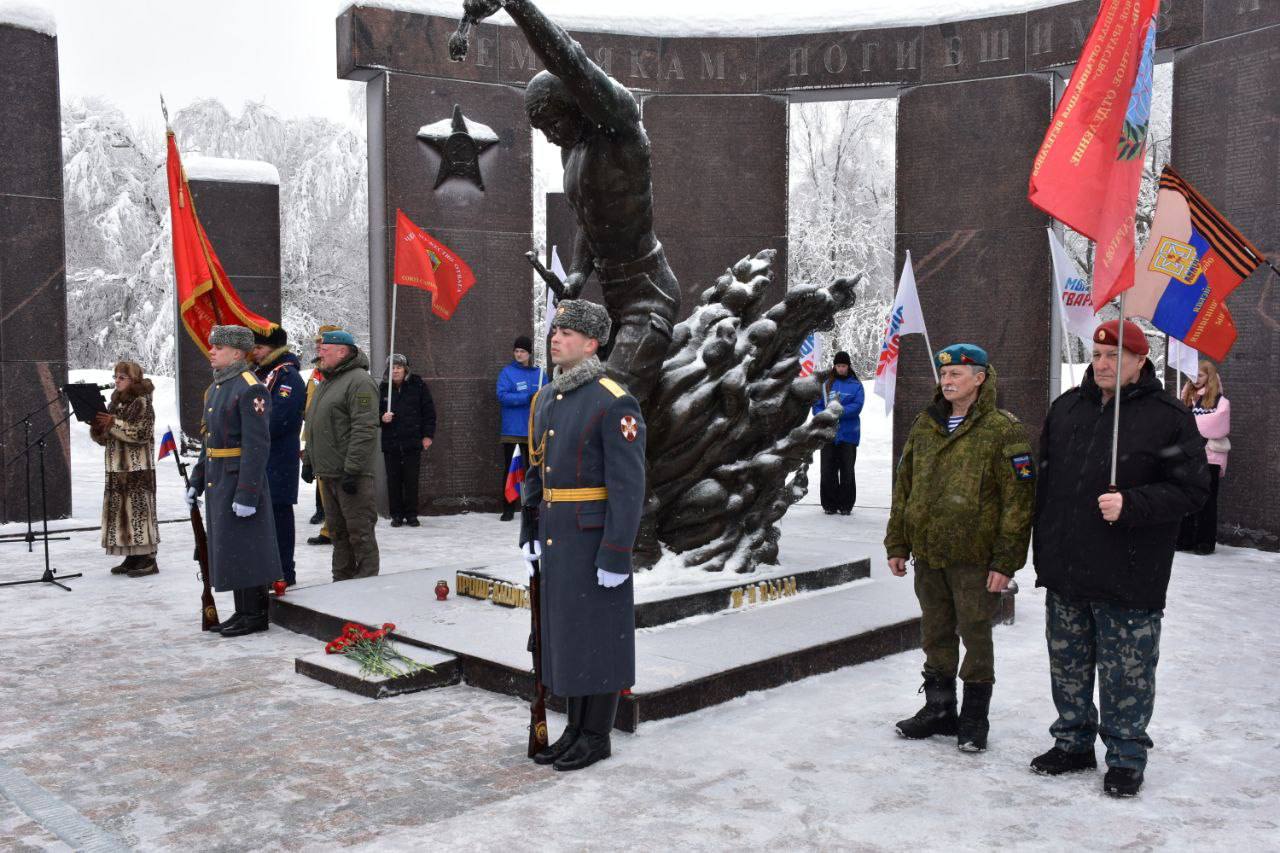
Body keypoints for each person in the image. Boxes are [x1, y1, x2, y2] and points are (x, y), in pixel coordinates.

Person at [461, 0, 680, 407]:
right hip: (615, 300)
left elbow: (571, 61)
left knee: (604, 406)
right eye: (540, 128)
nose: (548, 135)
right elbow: (589, 220)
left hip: (648, 293)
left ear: (578, 102)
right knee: (579, 398)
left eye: (552, 122)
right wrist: (578, 274)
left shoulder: (618, 125)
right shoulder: (574, 150)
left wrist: (516, 5)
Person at [1031, 319, 1208, 797]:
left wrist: (1133, 505)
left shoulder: (1167, 416)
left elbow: (1193, 490)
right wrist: (1042, 552)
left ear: (1139, 361)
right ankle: (1071, 741)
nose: (1103, 364)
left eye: (1115, 357)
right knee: (1067, 666)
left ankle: (1126, 754)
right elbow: (1045, 487)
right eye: (1098, 355)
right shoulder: (1067, 408)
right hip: (1067, 569)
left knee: (1126, 672)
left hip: (1130, 571)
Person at [885, 343, 1035, 753]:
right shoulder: (925, 424)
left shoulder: (1003, 429)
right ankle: (939, 709)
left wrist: (1006, 560)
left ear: (980, 378)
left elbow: (1018, 503)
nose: (947, 381)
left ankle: (973, 719)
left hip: (974, 558)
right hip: (929, 554)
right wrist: (897, 542)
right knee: (934, 633)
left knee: (976, 636)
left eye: (957, 375)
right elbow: (904, 488)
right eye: (944, 375)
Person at [520, 300, 646, 772]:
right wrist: (529, 528)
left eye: (569, 333)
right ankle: (575, 729)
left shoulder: (614, 400)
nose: (556, 338)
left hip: (594, 542)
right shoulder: (550, 397)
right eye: (555, 330)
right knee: (570, 635)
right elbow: (537, 467)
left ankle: (596, 735)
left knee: (599, 637)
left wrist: (616, 553)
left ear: (592, 344)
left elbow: (628, 487)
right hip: (557, 537)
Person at [186, 325, 283, 637]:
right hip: (219, 478)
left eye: (219, 347)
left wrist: (248, 493)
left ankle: (255, 614)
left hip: (239, 480)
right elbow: (209, 440)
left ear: (238, 353)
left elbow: (257, 446)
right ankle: (242, 611)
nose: (211, 351)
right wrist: (197, 480)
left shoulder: (249, 387)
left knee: (247, 548)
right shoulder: (217, 388)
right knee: (230, 547)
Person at [302, 329, 380, 581]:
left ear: (343, 351)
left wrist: (352, 469)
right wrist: (309, 462)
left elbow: (365, 428)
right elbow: (316, 424)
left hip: (350, 475)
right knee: (338, 533)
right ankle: (342, 583)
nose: (319, 353)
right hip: (328, 474)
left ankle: (366, 584)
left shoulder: (359, 382)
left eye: (325, 349)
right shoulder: (328, 381)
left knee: (360, 532)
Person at [89, 360, 160, 577]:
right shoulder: (114, 404)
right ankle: (132, 555)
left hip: (137, 467)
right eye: (115, 377)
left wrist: (113, 424)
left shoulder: (142, 402)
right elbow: (106, 437)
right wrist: (99, 427)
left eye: (122, 377)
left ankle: (148, 558)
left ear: (133, 380)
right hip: (116, 467)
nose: (117, 381)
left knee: (138, 512)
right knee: (122, 513)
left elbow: (141, 433)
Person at [251, 325, 307, 588]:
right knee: (266, 517)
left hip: (278, 459)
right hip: (263, 459)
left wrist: (249, 431)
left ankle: (285, 570)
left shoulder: (288, 377)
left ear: (274, 350)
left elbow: (278, 419)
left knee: (279, 516)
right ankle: (269, 567)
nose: (255, 353)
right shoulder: (260, 375)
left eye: (259, 348)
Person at [378, 353, 436, 527]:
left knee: (411, 480)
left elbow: (429, 412)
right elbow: (371, 414)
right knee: (393, 480)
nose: (395, 371)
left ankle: (412, 514)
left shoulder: (418, 386)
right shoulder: (383, 388)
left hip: (412, 441)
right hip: (391, 442)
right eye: (392, 368)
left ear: (405, 369)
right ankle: (396, 514)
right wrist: (381, 417)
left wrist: (427, 436)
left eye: (399, 367)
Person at [1177, 360, 1229, 555]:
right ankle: (1185, 538)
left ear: (1210, 377)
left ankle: (1205, 541)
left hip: (1210, 458)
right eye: (1193, 375)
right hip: (1189, 457)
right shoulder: (1186, 399)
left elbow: (1218, 426)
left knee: (1207, 500)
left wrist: (1190, 423)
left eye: (1200, 375)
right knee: (1186, 497)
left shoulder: (1221, 402)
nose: (1196, 379)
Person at [497, 335, 547, 521]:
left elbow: (548, 396)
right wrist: (526, 397)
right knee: (511, 470)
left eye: (523, 352)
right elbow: (502, 396)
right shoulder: (507, 373)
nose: (519, 354)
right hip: (513, 430)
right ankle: (508, 507)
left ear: (529, 354)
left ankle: (533, 506)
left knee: (534, 470)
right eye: (516, 351)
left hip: (534, 430)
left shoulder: (540, 374)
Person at [812, 351, 864, 516]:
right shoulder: (826, 384)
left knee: (847, 471)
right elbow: (817, 405)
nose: (841, 368)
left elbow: (857, 406)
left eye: (844, 366)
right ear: (835, 366)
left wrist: (838, 411)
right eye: (839, 366)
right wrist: (825, 415)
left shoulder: (856, 385)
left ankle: (846, 505)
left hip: (848, 435)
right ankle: (829, 504)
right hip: (828, 433)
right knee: (828, 470)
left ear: (848, 366)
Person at [305, 325, 342, 546]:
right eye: (318, 344)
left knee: (333, 490)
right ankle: (329, 526)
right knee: (322, 486)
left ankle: (332, 529)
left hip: (329, 436)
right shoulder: (317, 369)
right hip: (314, 434)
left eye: (323, 344)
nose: (318, 347)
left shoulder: (335, 372)